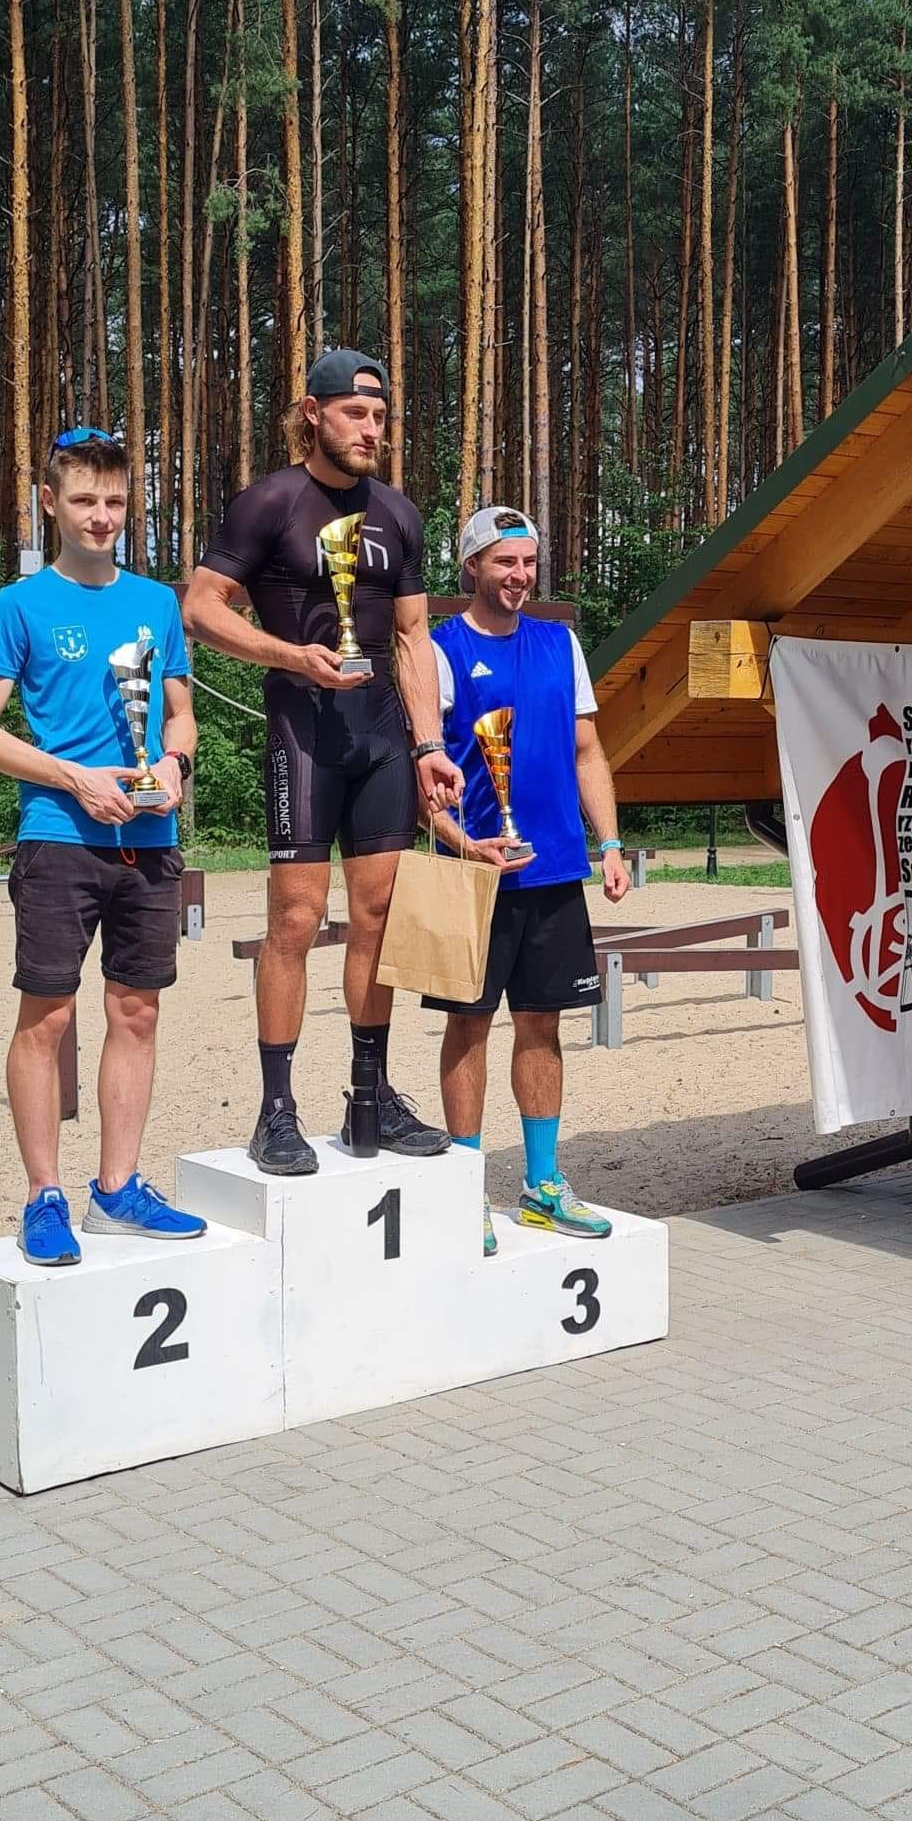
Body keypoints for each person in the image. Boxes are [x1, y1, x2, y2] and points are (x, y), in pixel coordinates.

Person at [183, 348, 463, 1174]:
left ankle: (370, 1097)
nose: (371, 430)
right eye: (355, 414)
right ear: (314, 413)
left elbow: (411, 637)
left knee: (377, 916)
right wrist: (287, 655)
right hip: (303, 732)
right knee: (297, 922)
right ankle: (276, 1111)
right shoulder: (270, 501)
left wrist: (429, 745)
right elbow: (201, 607)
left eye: (379, 417)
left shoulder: (398, 514)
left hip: (381, 738)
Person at [0, 426, 207, 1266]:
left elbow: (181, 714)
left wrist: (173, 764)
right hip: (59, 836)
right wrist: (73, 778)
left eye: (116, 501)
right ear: (50, 504)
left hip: (150, 836)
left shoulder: (157, 603)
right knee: (48, 1015)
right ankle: (44, 1195)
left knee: (137, 1012)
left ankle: (117, 1188)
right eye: (85, 500)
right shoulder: (21, 603)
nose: (102, 516)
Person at [427, 506, 630, 1257]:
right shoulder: (440, 649)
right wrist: (463, 844)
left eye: (528, 562)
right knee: (469, 1028)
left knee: (542, 1026)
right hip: (474, 878)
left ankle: (542, 1185)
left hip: (555, 871)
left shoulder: (559, 642)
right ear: (472, 567)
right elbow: (424, 779)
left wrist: (610, 842)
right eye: (504, 561)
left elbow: (588, 751)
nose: (519, 575)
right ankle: (463, 1191)